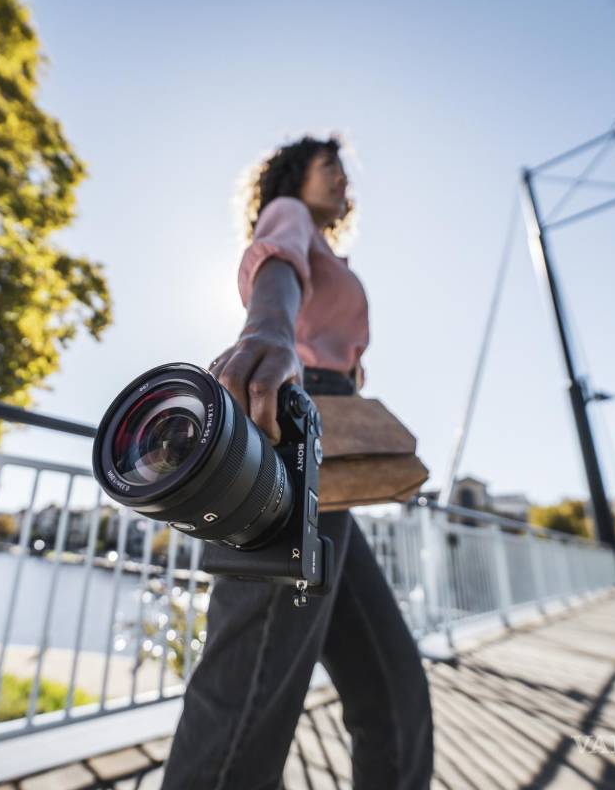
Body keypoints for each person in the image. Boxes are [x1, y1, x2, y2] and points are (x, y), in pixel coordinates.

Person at [161, 135, 434, 789]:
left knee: (394, 693)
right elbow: (275, 266)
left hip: (336, 457)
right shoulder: (288, 214)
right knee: (243, 700)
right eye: (329, 167)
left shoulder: (330, 249)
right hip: (288, 426)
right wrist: (268, 332)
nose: (343, 179)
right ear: (294, 176)